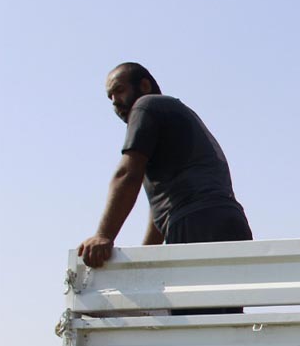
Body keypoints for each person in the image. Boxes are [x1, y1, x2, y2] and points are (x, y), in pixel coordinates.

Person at [77, 62, 252, 269]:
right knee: (218, 300)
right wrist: (144, 261)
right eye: (110, 97)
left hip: (196, 223)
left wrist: (103, 235)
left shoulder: (146, 105)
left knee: (195, 300)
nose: (115, 102)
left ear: (143, 86)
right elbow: (164, 203)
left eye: (119, 90)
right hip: (229, 223)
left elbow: (127, 174)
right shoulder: (176, 115)